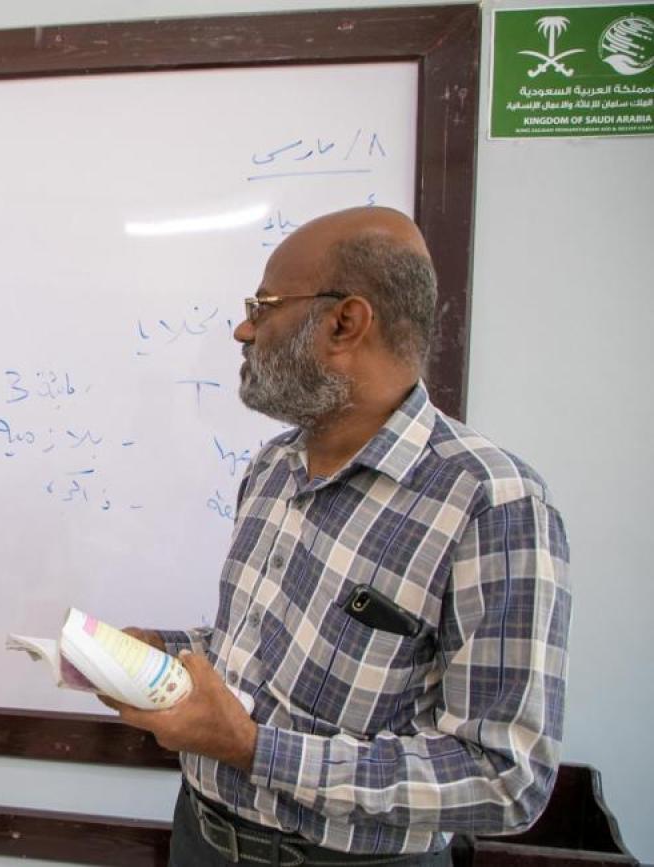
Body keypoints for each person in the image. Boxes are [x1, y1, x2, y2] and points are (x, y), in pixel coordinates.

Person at [107, 208, 570, 866]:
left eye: (262, 305)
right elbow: (257, 656)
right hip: (201, 837)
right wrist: (160, 654)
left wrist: (252, 746)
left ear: (344, 323)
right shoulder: (273, 467)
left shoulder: (492, 503)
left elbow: (503, 777)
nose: (244, 328)